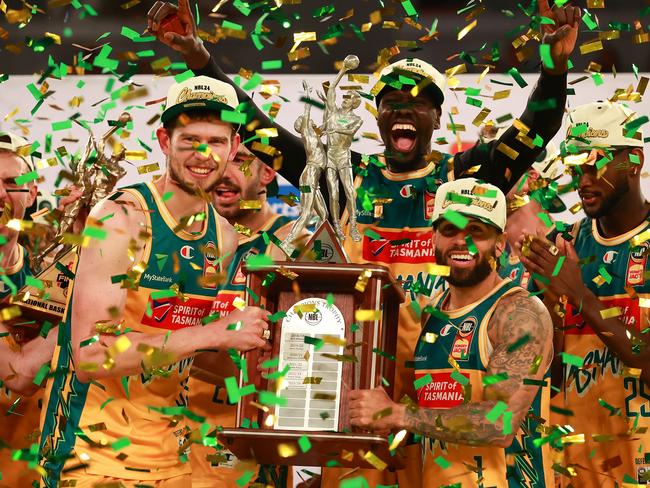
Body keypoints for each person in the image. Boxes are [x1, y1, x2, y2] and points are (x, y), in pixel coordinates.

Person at [147, 0, 579, 484]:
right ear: (376, 115)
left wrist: (555, 68)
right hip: (362, 394)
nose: (403, 109)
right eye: (391, 102)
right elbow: (261, 131)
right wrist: (201, 57)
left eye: (417, 101)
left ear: (436, 116)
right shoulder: (345, 179)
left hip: (438, 385)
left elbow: (534, 131)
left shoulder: (464, 176)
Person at [38, 76, 272, 487]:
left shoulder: (224, 235)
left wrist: (269, 358)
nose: (203, 154)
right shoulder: (122, 218)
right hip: (90, 458)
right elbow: (92, 355)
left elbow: (189, 352)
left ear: (234, 148)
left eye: (216, 142)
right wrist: (213, 332)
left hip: (171, 459)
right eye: (189, 140)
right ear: (164, 141)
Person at [349, 178, 554, 487]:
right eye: (450, 230)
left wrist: (397, 415)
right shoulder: (430, 314)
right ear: (434, 238)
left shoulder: (520, 313)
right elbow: (426, 421)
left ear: (499, 242)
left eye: (476, 231)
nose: (461, 241)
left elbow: (500, 424)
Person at [518, 101, 649, 487]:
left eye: (596, 164)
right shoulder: (565, 243)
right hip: (571, 462)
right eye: (577, 168)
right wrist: (548, 310)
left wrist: (581, 296)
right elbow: (551, 378)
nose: (584, 180)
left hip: (637, 462)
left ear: (633, 162)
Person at [188, 145, 307, 487]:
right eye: (215, 160)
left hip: (243, 459)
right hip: (168, 448)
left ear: (268, 173)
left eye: (239, 161)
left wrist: (171, 349)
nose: (224, 172)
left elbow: (281, 366)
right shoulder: (183, 241)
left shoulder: (288, 244)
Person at [0, 131, 57, 487]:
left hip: (25, 469)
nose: (0, 194)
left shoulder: (45, 268)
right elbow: (20, 376)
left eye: (12, 182)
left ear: (32, 192)